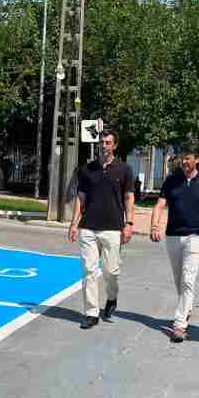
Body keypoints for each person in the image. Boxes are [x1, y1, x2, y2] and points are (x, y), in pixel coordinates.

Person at [149, 150, 199, 342]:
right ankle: (186, 308)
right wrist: (154, 225)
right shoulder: (172, 180)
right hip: (173, 236)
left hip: (196, 236)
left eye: (188, 158)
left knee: (188, 280)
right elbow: (159, 205)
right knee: (180, 281)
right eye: (182, 158)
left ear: (196, 159)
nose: (184, 161)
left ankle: (179, 325)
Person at [69, 130, 135, 329]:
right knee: (89, 270)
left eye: (108, 142)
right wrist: (74, 223)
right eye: (102, 142)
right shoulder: (87, 169)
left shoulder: (124, 170)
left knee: (111, 271)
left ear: (114, 146)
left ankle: (112, 298)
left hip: (113, 228)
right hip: (88, 227)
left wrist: (129, 224)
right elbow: (81, 199)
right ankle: (91, 313)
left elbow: (129, 197)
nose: (104, 145)